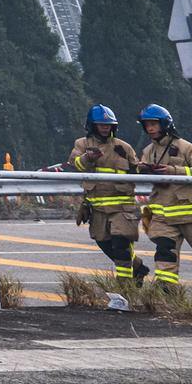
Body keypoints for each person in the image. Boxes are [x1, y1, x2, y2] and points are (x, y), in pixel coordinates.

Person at [134, 103, 192, 287]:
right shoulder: (148, 151)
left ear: (165, 124)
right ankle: (168, 293)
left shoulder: (185, 147)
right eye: (147, 125)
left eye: (154, 124)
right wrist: (143, 169)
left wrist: (174, 171)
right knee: (164, 253)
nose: (150, 128)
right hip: (163, 216)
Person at [69, 103, 142, 286]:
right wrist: (88, 158)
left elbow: (138, 170)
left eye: (108, 124)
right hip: (98, 207)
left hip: (122, 207)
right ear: (92, 125)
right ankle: (138, 268)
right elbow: (74, 164)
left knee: (121, 244)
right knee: (103, 242)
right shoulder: (82, 144)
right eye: (101, 124)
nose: (105, 127)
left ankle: (126, 285)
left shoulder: (123, 147)